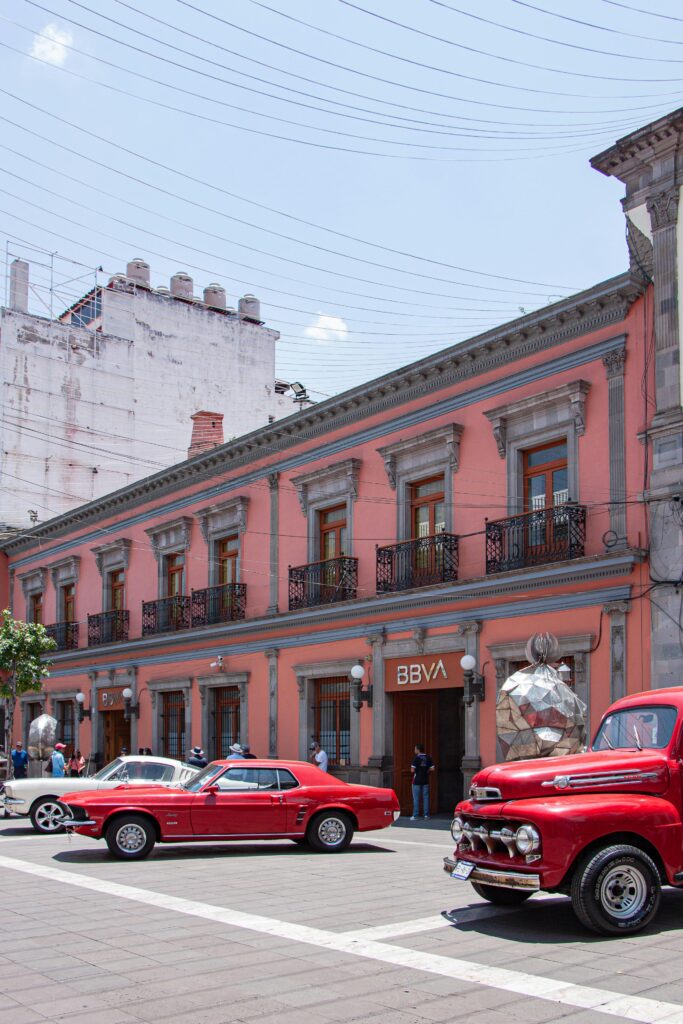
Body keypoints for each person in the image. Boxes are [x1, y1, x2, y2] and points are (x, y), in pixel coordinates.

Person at [410, 743, 435, 820]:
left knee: (416, 798)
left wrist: (418, 770)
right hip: (425, 779)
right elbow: (433, 769)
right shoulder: (428, 757)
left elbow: (412, 770)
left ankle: (415, 815)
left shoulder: (416, 758)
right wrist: (426, 770)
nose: (414, 750)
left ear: (418, 750)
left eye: (415, 749)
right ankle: (426, 815)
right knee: (426, 797)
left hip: (417, 780)